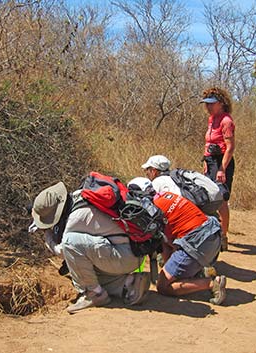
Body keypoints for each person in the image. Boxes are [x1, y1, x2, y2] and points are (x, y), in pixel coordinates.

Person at [30, 181, 150, 314]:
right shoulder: (80, 196)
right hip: (133, 251)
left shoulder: (75, 219)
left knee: (71, 243)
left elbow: (62, 251)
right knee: (85, 271)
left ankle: (94, 295)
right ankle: (129, 284)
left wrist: (47, 235)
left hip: (126, 257)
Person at [127, 177, 226, 305]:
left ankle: (212, 283)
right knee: (168, 245)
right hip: (212, 237)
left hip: (197, 243)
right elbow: (168, 240)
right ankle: (196, 273)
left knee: (163, 286)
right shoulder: (167, 195)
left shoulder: (154, 210)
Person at [200, 87, 236, 251]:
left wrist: (222, 169)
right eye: (206, 104)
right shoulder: (211, 119)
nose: (208, 107)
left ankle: (223, 236)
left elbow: (230, 147)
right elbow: (208, 142)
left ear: (221, 103)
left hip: (223, 161)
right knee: (208, 198)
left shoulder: (226, 121)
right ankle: (211, 233)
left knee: (221, 199)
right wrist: (205, 160)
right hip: (211, 161)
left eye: (211, 104)